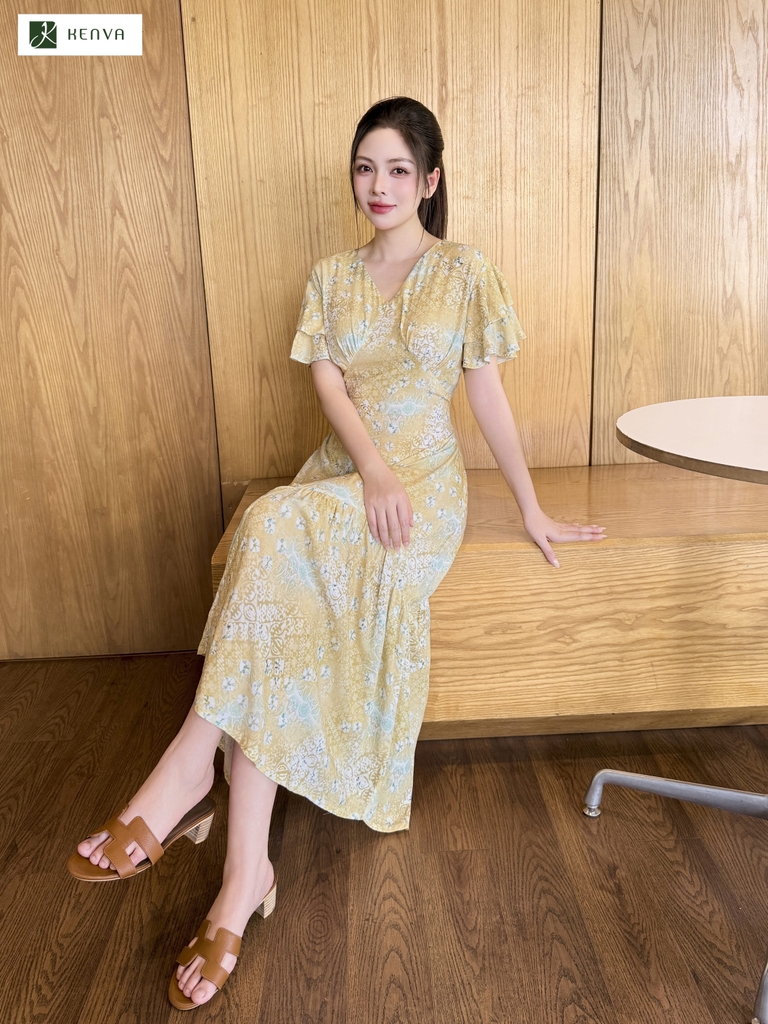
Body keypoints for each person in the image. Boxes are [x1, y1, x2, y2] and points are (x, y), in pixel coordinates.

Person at [66, 95, 605, 1009]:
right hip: (348, 476)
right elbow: (331, 391)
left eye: (398, 170)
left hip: (424, 491)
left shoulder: (464, 271)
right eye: (365, 167)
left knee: (272, 529)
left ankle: (192, 776)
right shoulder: (330, 276)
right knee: (277, 534)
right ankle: (243, 874)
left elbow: (486, 398)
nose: (378, 185)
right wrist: (370, 472)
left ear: (430, 182)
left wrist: (531, 507)